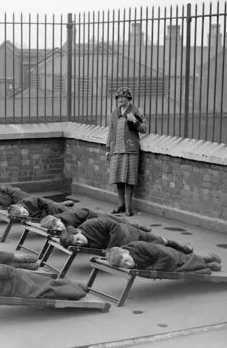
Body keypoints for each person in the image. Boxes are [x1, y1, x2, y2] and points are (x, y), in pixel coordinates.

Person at [105, 87, 147, 217]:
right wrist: (108, 149)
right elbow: (111, 131)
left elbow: (144, 129)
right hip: (116, 149)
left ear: (129, 98)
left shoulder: (136, 111)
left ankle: (129, 208)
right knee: (118, 178)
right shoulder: (114, 113)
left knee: (129, 178)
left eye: (123, 97)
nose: (120, 99)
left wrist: (134, 120)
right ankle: (121, 205)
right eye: (118, 97)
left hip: (130, 149)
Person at [0, 264, 87, 300]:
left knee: (45, 288)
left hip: (18, 279)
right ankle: (75, 287)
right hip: (12, 289)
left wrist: (23, 290)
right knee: (47, 290)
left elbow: (8, 271)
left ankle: (77, 288)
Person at [59, 216, 192, 253]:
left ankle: (182, 248)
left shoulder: (91, 224)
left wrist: (110, 248)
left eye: (77, 239)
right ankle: (181, 254)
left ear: (78, 231)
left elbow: (114, 226)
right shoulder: (86, 244)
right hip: (128, 245)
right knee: (157, 249)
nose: (79, 242)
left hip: (129, 232)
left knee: (160, 241)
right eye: (76, 243)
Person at [106, 243, 222, 273]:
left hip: (167, 255)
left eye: (126, 260)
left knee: (185, 260)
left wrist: (152, 269)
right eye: (123, 265)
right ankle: (208, 265)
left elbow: (165, 255)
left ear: (126, 252)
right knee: (184, 268)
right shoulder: (126, 256)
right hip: (158, 263)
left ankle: (208, 257)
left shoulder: (140, 246)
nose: (128, 265)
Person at [39, 208, 151, 233]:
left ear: (59, 220)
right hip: (92, 221)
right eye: (57, 229)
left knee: (119, 223)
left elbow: (86, 212)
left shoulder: (71, 218)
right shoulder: (61, 222)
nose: (60, 229)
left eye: (59, 226)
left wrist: (90, 224)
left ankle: (138, 227)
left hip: (95, 216)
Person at [7, 196, 73, 220]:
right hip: (42, 212)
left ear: (21, 206)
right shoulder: (21, 211)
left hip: (48, 207)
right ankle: (62, 204)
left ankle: (62, 204)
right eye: (22, 216)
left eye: (24, 212)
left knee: (63, 211)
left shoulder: (28, 202)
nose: (25, 215)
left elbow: (46, 204)